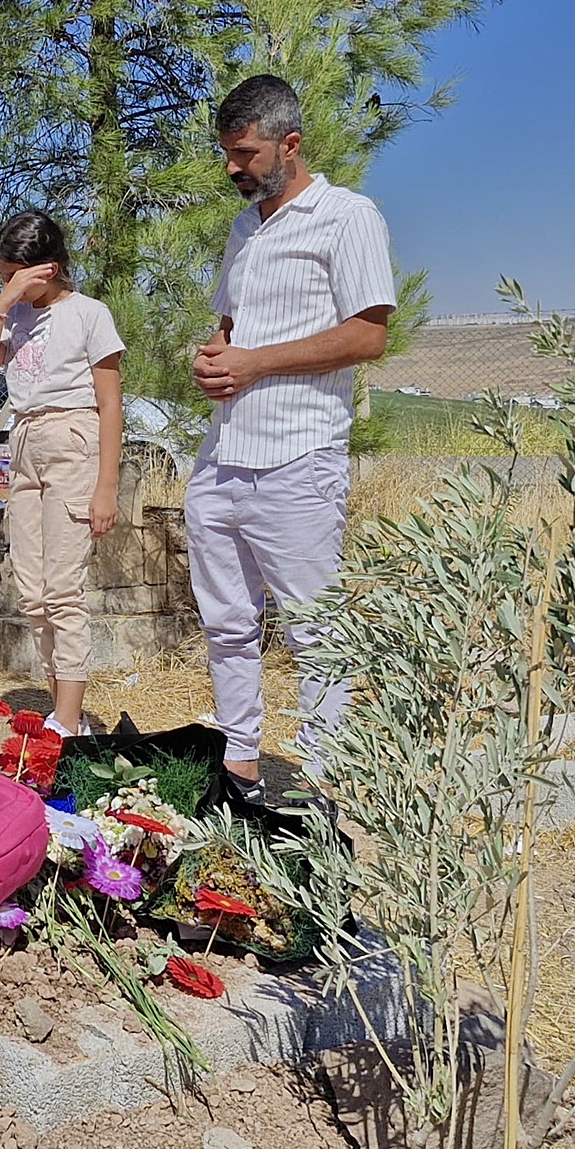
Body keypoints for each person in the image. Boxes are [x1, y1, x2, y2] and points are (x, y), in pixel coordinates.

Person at [185, 74, 394, 808]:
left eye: (244, 153)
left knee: (314, 630)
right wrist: (213, 356)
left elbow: (369, 334)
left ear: (291, 144)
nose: (233, 168)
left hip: (298, 456)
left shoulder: (348, 217)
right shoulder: (245, 229)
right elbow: (231, 329)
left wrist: (254, 363)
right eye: (227, 153)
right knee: (227, 622)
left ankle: (324, 783)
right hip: (223, 457)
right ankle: (238, 767)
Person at [0, 209, 125, 736]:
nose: (5, 282)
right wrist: (2, 305)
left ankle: (66, 719)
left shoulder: (88, 314)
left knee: (63, 589)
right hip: (25, 439)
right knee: (31, 592)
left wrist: (106, 487)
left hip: (73, 439)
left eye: (12, 274)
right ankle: (65, 715)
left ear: (47, 268)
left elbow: (110, 404)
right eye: (2, 274)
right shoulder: (12, 315)